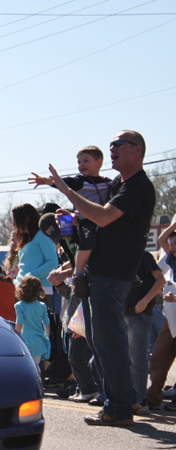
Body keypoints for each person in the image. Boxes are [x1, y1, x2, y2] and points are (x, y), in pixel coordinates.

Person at [48, 130, 155, 426]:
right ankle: (122, 400)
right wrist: (74, 216)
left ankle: (120, 408)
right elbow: (100, 218)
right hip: (100, 272)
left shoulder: (138, 186)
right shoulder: (120, 183)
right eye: (111, 144)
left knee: (109, 341)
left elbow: (104, 217)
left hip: (113, 274)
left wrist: (67, 191)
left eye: (119, 144)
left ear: (137, 151)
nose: (112, 148)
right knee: (100, 341)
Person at [30, 146, 111, 298]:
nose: (81, 165)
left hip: (104, 221)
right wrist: (46, 181)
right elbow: (64, 183)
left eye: (86, 161)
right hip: (84, 220)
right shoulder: (80, 182)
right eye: (79, 162)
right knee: (87, 243)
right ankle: (79, 274)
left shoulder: (108, 183)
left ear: (99, 163)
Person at [124, 250, 164, 414]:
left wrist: (145, 301)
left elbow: (160, 280)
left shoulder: (143, 255)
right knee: (124, 359)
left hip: (139, 313)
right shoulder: (116, 256)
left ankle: (140, 399)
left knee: (138, 358)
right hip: (122, 311)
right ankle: (127, 398)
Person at [147, 223, 176, 410]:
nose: (173, 249)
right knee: (158, 358)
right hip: (171, 318)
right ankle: (153, 398)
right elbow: (161, 240)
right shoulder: (173, 259)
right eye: (173, 245)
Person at [11, 203, 58, 297]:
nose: (13, 225)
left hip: (38, 290)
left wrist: (29, 277)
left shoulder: (42, 235)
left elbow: (53, 263)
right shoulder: (25, 239)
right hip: (22, 289)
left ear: (27, 218)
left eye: (16, 220)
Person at [14, 275, 51, 368]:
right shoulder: (42, 305)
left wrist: (15, 336)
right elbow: (46, 324)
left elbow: (19, 323)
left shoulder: (19, 305)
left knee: (26, 367)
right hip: (39, 341)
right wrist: (46, 337)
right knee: (36, 367)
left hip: (26, 341)